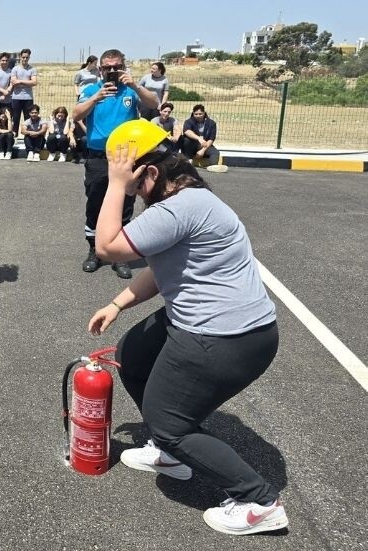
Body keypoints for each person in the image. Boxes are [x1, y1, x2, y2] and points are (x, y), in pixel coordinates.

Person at [88, 118, 287, 536]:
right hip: (209, 322)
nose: (131, 192)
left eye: (133, 183)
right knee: (133, 356)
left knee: (170, 424)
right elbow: (166, 268)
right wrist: (117, 304)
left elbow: (106, 246)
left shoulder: (180, 208)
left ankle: (258, 500)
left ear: (151, 172)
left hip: (225, 336)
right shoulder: (187, 199)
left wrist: (115, 185)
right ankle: (169, 452)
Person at [72, 48, 158, 279]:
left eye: (116, 67)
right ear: (100, 69)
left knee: (125, 205)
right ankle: (95, 250)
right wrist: (96, 98)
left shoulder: (131, 90)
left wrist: (136, 86)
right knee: (95, 203)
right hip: (98, 157)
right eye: (107, 67)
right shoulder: (91, 90)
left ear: (123, 67)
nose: (112, 71)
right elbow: (76, 115)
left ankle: (120, 255)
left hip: (127, 157)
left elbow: (154, 103)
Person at [182, 104, 224, 171]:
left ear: (204, 113)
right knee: (186, 140)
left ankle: (213, 166)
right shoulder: (188, 122)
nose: (198, 116)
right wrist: (199, 138)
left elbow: (211, 138)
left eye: (200, 114)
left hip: (205, 145)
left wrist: (203, 150)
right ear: (193, 113)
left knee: (215, 152)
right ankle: (188, 161)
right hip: (192, 145)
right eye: (196, 114)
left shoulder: (211, 123)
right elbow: (187, 131)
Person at [9, 49, 37, 134]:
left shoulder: (32, 69)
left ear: (29, 58)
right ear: (20, 57)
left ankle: (27, 135)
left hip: (28, 97)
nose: (25, 59)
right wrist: (28, 82)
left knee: (28, 118)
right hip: (16, 97)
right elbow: (14, 82)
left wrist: (20, 81)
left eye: (27, 57)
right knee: (15, 118)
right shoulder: (15, 69)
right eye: (23, 57)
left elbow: (34, 82)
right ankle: (15, 134)